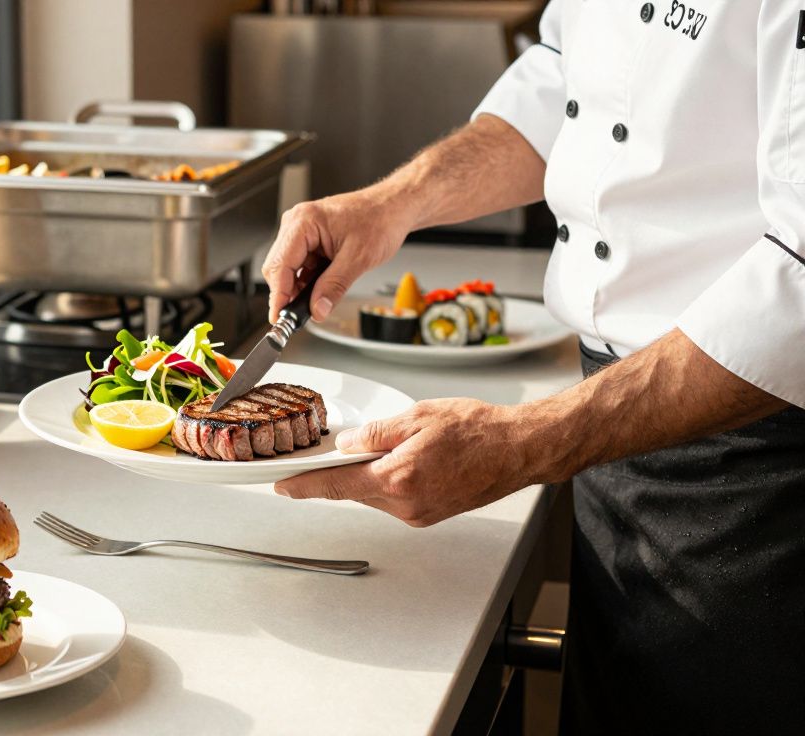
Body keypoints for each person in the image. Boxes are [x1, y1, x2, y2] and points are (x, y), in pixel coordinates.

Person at [263, 2, 805, 732]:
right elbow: (562, 82)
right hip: (617, 436)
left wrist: (524, 442)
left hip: (766, 465)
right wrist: (389, 205)